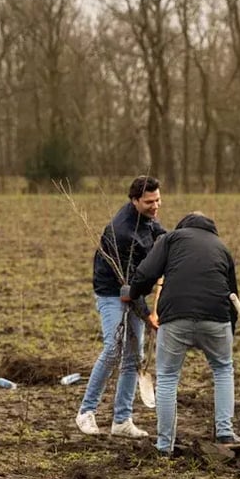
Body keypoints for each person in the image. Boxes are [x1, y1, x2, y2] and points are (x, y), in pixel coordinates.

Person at [126, 212, 240, 454]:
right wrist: (228, 329)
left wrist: (134, 292)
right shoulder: (221, 247)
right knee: (223, 368)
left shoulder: (171, 239)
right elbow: (233, 293)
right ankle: (224, 432)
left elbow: (146, 273)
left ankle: (164, 445)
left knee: (168, 377)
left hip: (176, 316)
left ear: (182, 226)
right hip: (217, 316)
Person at [75, 176, 166, 439]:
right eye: (149, 202)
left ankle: (122, 420)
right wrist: (148, 315)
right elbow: (129, 288)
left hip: (132, 291)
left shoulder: (146, 219)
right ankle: (86, 412)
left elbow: (159, 234)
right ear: (135, 200)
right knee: (114, 347)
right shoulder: (122, 232)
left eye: (158, 199)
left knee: (133, 356)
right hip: (113, 293)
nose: (155, 205)